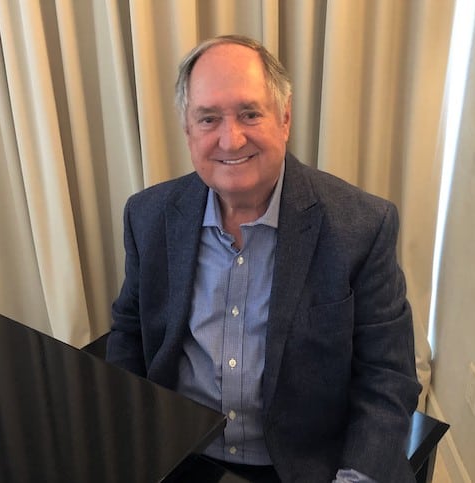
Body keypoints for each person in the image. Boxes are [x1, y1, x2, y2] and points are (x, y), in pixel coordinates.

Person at [107, 34, 421, 483]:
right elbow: (129, 333)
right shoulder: (148, 216)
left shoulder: (362, 226)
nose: (230, 140)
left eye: (249, 113)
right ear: (188, 130)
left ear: (285, 117)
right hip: (179, 452)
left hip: (304, 466)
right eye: (208, 118)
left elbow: (387, 379)